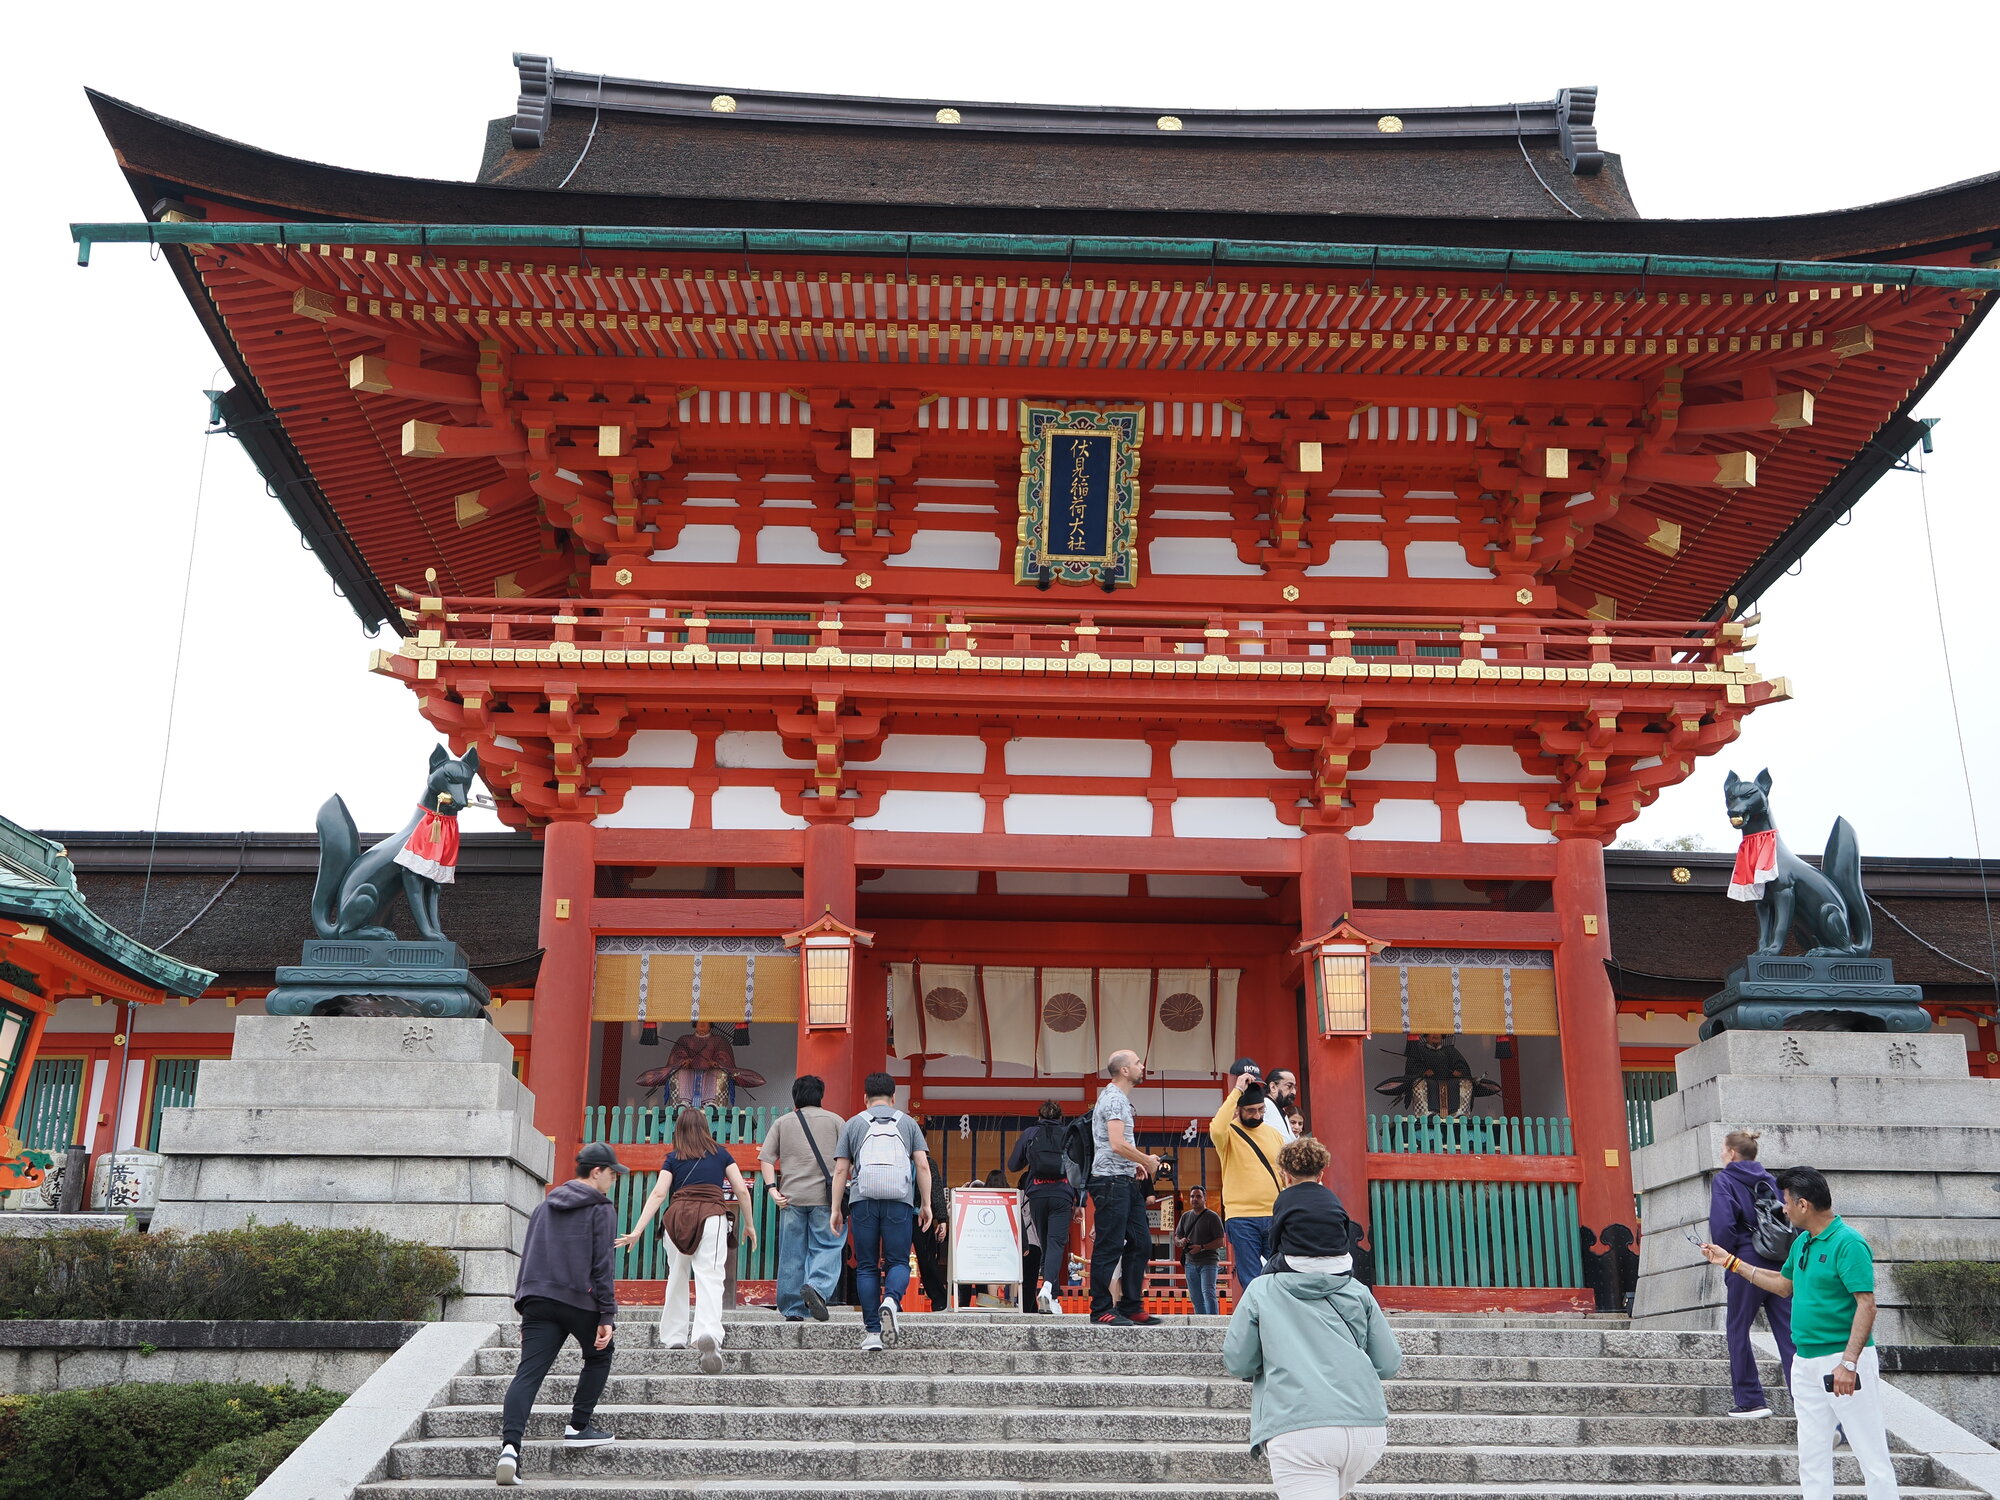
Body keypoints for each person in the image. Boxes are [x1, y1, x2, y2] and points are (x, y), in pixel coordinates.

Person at [1700, 1165, 1900, 1500]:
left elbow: (1866, 1305)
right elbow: (1781, 1285)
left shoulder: (1849, 1243)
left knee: (1871, 1453)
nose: (1784, 1208)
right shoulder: (1802, 1243)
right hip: (1805, 1362)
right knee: (1811, 1455)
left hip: (1844, 1362)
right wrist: (1731, 1262)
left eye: (1787, 1202)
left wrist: (1849, 1363)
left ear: (1804, 1204)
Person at [1223, 1135, 1402, 1500]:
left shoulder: (1263, 1291)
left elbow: (1238, 1360)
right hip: (1365, 1427)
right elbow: (1388, 1363)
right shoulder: (1357, 1293)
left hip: (1300, 1426)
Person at [495, 1142, 626, 1486]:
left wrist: (523, 1301)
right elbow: (602, 1265)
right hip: (579, 1301)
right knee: (599, 1353)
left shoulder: (544, 1206)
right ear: (597, 1171)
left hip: (538, 1298)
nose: (614, 1180)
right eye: (612, 1173)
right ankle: (579, 1426)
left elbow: (530, 1254)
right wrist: (606, 1316)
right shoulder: (601, 1208)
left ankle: (510, 1449)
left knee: (528, 1374)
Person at [617, 1107, 757, 1376]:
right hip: (712, 1216)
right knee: (710, 1277)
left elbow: (659, 1193)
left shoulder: (672, 1158)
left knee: (677, 1276)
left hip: (676, 1217)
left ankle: (673, 1337)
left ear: (678, 1129)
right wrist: (748, 1224)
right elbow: (741, 1189)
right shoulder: (721, 1153)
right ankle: (707, 1334)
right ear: (706, 1127)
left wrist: (637, 1230)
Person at [830, 1073, 934, 1352]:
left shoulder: (854, 1124)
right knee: (897, 1262)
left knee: (866, 1266)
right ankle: (891, 1300)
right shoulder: (908, 1123)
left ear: (865, 1098)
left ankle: (873, 1332)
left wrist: (835, 1208)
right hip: (899, 1201)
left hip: (863, 1201)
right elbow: (923, 1166)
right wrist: (925, 1204)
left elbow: (841, 1170)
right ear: (893, 1097)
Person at [1707, 1128, 1797, 1418]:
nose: (1722, 1154)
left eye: (1723, 1149)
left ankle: (1750, 1400)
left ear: (1732, 1153)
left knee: (1737, 1327)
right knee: (1789, 1334)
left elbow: (1723, 1224)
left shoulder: (1725, 1179)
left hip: (1745, 1260)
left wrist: (1727, 1256)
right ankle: (1808, 1403)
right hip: (1779, 1261)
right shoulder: (1771, 1180)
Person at [758, 1074, 845, 1324]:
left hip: (791, 1197)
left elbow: (765, 1158)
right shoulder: (836, 1121)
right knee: (828, 1245)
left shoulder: (783, 1123)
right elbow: (847, 1161)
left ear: (795, 1096)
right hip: (825, 1199)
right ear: (821, 1096)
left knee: (792, 1253)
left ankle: (793, 1308)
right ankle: (817, 1287)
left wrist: (772, 1189)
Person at [1088, 1048, 1162, 1326]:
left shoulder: (1115, 1098)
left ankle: (1131, 1305)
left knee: (1141, 1243)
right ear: (1124, 1071)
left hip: (1124, 1179)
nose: (1143, 1066)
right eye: (1137, 1063)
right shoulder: (1115, 1099)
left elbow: (1116, 1146)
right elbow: (1117, 1143)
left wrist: (1135, 1165)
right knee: (1109, 1246)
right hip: (1110, 1182)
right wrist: (1147, 1160)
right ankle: (1101, 1309)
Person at [1211, 1073, 1288, 1293]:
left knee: (1281, 1273)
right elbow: (1216, 1128)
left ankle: (1279, 1317)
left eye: (1261, 1110)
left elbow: (1283, 1173)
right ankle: (1257, 1319)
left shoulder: (1274, 1135)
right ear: (1238, 1110)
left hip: (1274, 1213)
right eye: (1251, 1111)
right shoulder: (1228, 1134)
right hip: (1242, 1216)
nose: (1257, 1115)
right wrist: (1236, 1091)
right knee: (1250, 1275)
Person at [1008, 1100, 1079, 1314]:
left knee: (1047, 1245)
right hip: (1062, 1194)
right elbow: (1077, 1168)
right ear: (1060, 1117)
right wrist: (1080, 1201)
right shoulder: (1069, 1133)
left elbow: (1013, 1165)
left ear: (1039, 1116)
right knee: (1056, 1243)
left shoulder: (1030, 1133)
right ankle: (1048, 1289)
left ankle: (1052, 1296)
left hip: (1037, 1194)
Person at [1268, 1133, 1354, 1275]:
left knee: (1265, 1274)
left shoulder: (1285, 1198)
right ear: (1320, 1175)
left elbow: (1275, 1236)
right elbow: (1344, 1229)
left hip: (1297, 1264)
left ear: (1287, 1177)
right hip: (1340, 1265)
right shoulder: (1332, 1197)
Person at [1175, 1184, 1227, 1315]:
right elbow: (1177, 1237)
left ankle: (1213, 1324)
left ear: (1205, 1199)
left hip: (1208, 1261)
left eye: (1198, 1196)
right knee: (1196, 1298)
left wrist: (1202, 1247)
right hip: (1190, 1262)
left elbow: (1221, 1241)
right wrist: (1181, 1242)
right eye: (1192, 1196)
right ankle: (1201, 1325)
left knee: (1208, 1293)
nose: (1194, 1199)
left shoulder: (1212, 1217)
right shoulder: (1185, 1216)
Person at [1266, 1068, 1301, 1144]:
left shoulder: (1280, 1109)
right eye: (1289, 1086)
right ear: (1273, 1087)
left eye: (1294, 1087)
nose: (1294, 1092)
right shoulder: (1265, 1106)